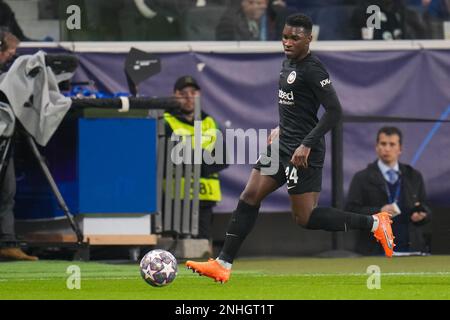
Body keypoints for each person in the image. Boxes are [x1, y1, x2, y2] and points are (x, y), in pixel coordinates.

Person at [186, 13, 395, 283]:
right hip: (283, 145)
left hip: (303, 153)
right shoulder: (287, 63)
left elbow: (334, 112)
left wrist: (306, 143)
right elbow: (297, 108)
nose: (287, 42)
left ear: (309, 39)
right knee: (249, 196)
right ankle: (222, 263)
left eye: (294, 38)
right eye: (285, 36)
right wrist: (281, 127)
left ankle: (376, 223)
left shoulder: (313, 69)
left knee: (305, 218)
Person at [346, 127, 432, 255]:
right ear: (376, 147)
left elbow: (426, 208)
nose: (387, 148)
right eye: (383, 143)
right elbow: (350, 210)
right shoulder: (362, 177)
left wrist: (422, 215)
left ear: (400, 149)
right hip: (375, 250)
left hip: (410, 249)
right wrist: (379, 211)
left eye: (392, 144)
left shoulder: (413, 176)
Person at [164, 75, 228, 243]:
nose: (189, 97)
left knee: (202, 245)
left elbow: (222, 158)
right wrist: (201, 158)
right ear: (174, 95)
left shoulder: (209, 122)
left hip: (204, 197)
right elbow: (165, 158)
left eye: (193, 92)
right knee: (171, 245)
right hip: (173, 197)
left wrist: (190, 159)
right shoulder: (164, 121)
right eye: (183, 93)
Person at [0, 31, 38, 261]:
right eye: (10, 53)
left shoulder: (6, 75)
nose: (11, 58)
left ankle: (7, 242)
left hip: (4, 138)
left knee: (7, 190)